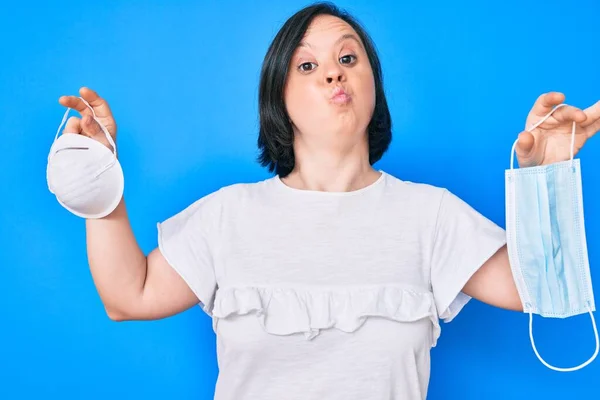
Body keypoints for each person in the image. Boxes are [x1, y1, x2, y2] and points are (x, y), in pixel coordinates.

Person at [56, 2, 600, 399]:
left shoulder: (430, 215)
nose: (334, 71)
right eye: (307, 65)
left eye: (348, 57)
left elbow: (545, 289)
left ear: (373, 87)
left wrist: (546, 174)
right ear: (280, 97)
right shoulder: (227, 215)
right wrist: (98, 180)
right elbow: (128, 296)